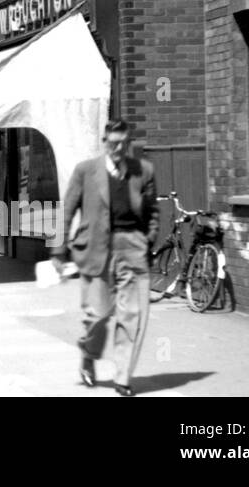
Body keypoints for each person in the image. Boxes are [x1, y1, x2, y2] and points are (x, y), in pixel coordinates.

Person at [51, 119, 158, 396]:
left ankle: (123, 377)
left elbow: (152, 211)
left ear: (129, 142)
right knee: (97, 316)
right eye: (113, 143)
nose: (119, 148)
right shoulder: (85, 171)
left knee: (131, 315)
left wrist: (148, 239)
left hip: (132, 246)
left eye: (124, 143)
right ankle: (88, 354)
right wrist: (58, 250)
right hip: (96, 249)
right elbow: (67, 210)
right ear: (104, 142)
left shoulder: (143, 170)